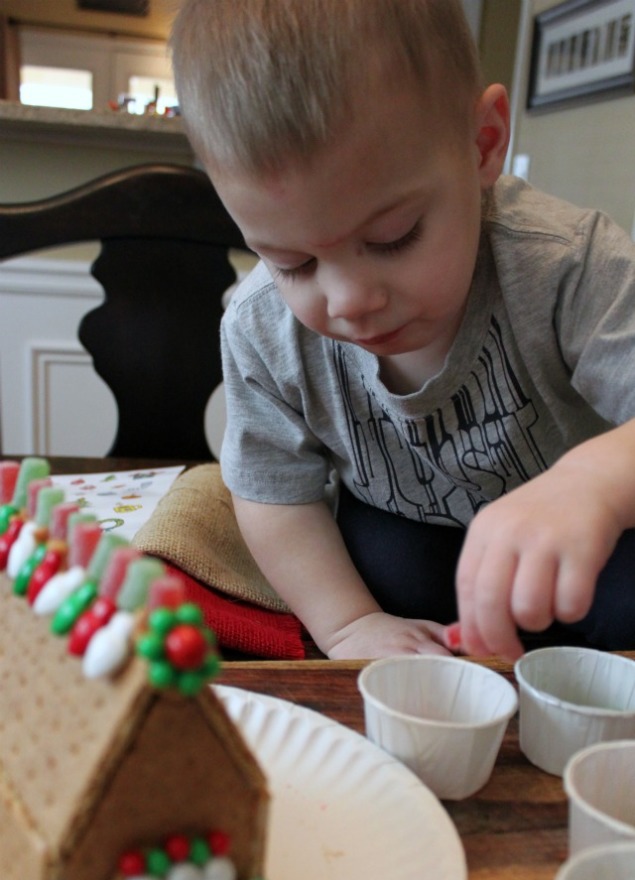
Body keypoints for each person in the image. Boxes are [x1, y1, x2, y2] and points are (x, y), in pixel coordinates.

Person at [171, 0, 635, 661]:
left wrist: (594, 481)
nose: (349, 301)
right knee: (374, 564)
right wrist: (348, 625)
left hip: (582, 546)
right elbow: (276, 497)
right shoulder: (258, 327)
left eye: (392, 238)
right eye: (292, 264)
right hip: (408, 537)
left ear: (482, 146)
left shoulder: (565, 262)